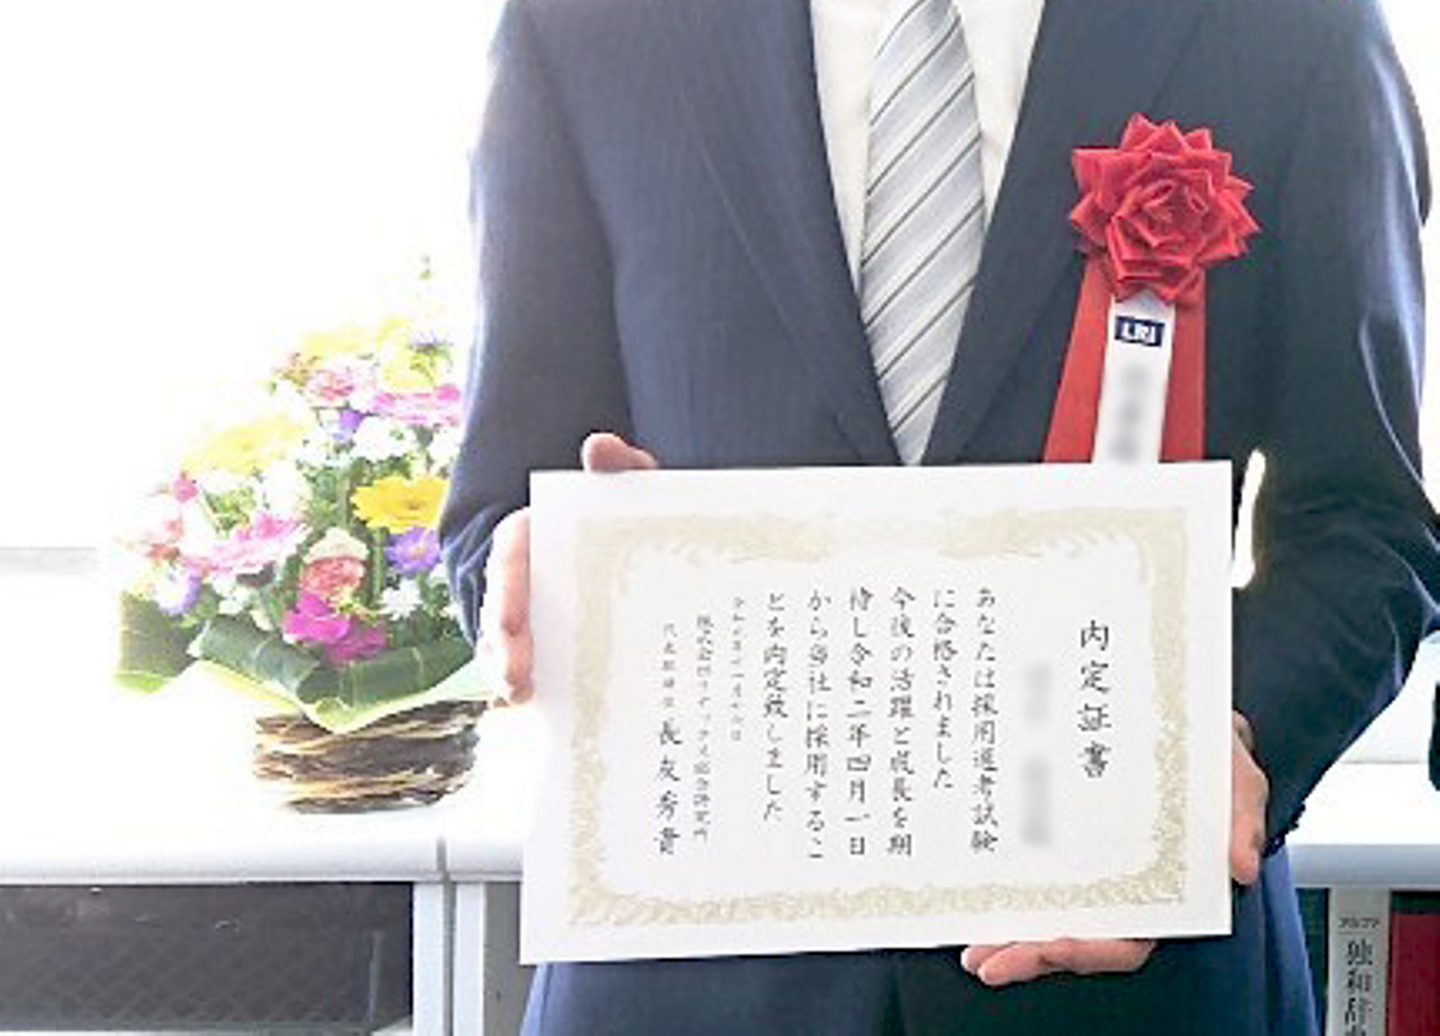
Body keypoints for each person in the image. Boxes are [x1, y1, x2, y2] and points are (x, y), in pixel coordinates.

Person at [440, 0, 1439, 1031]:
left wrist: (1239, 736)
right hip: (688, 967)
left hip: (1129, 968)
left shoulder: (1292, 28)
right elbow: (502, 497)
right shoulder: (585, 27)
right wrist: (535, 576)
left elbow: (1367, 525)